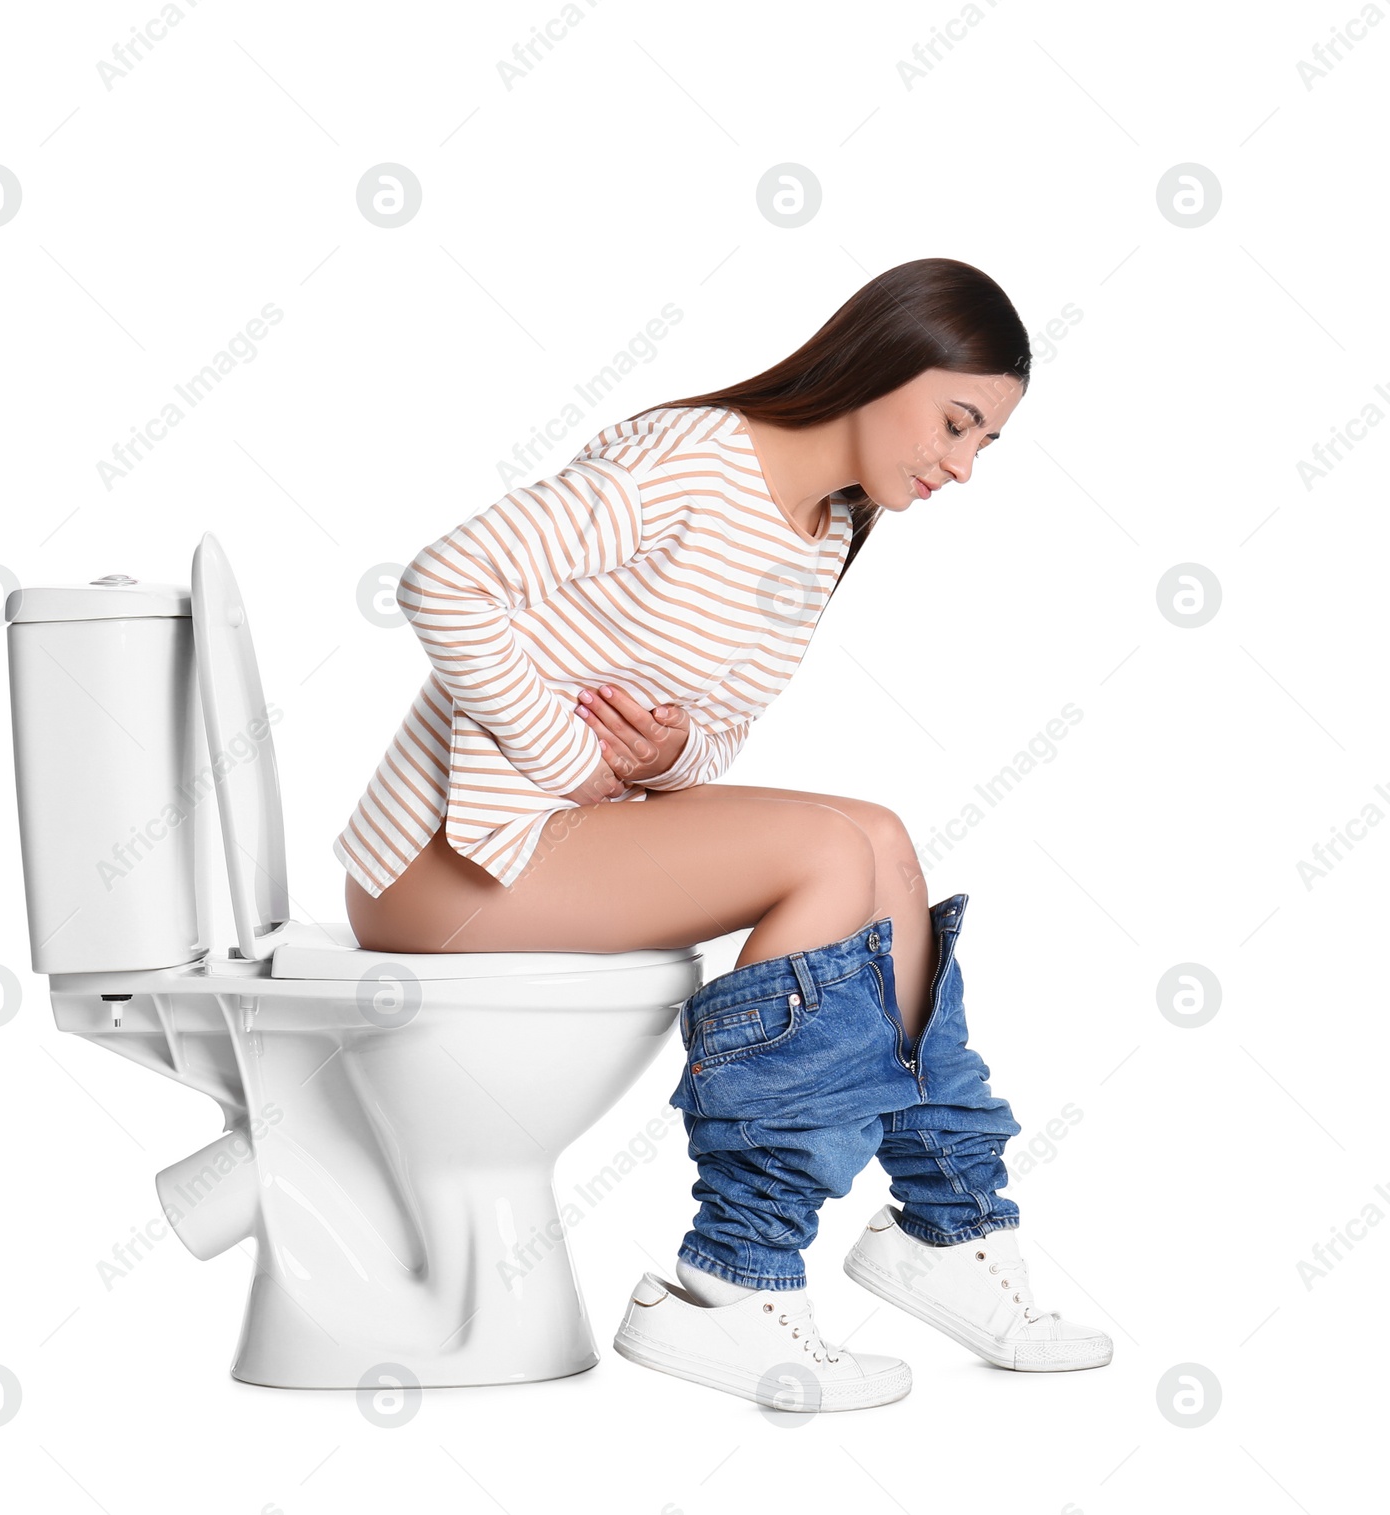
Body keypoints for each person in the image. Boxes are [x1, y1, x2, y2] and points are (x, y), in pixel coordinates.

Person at [335, 257, 1113, 1412]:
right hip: (447, 861)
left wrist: (660, 759)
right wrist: (566, 756)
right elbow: (446, 581)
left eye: (983, 444)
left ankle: (946, 1228)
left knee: (879, 840)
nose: (959, 466)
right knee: (829, 855)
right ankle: (729, 1283)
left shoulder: (821, 533)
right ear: (879, 364)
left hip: (564, 844)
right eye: (955, 424)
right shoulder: (687, 464)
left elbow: (716, 731)